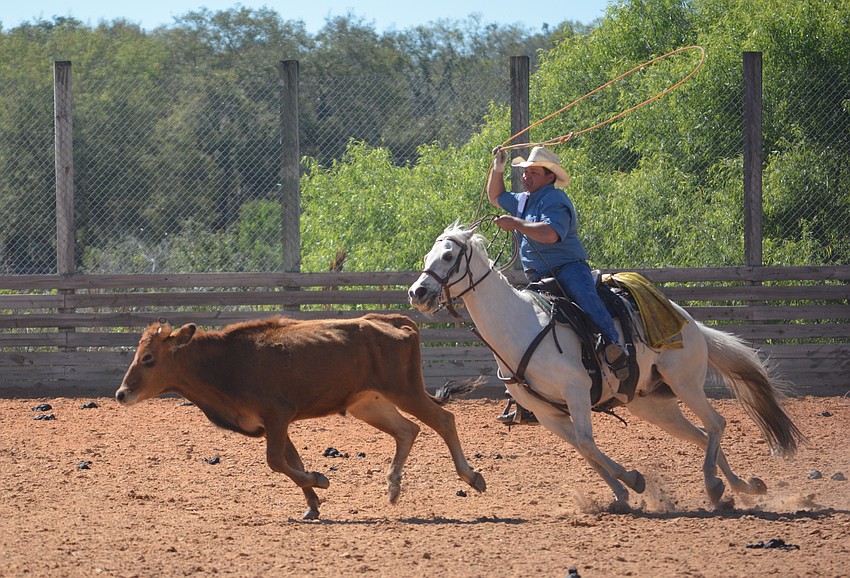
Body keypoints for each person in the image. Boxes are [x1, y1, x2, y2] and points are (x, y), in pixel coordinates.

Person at [488, 145, 629, 425]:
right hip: (537, 277)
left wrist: (516, 223)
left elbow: (551, 234)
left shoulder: (555, 200)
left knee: (585, 298)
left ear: (549, 177)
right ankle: (528, 396)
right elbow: (496, 195)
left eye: (533, 172)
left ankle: (614, 346)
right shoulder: (524, 200)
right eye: (525, 172)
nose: (526, 177)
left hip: (568, 269)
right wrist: (498, 168)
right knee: (525, 325)